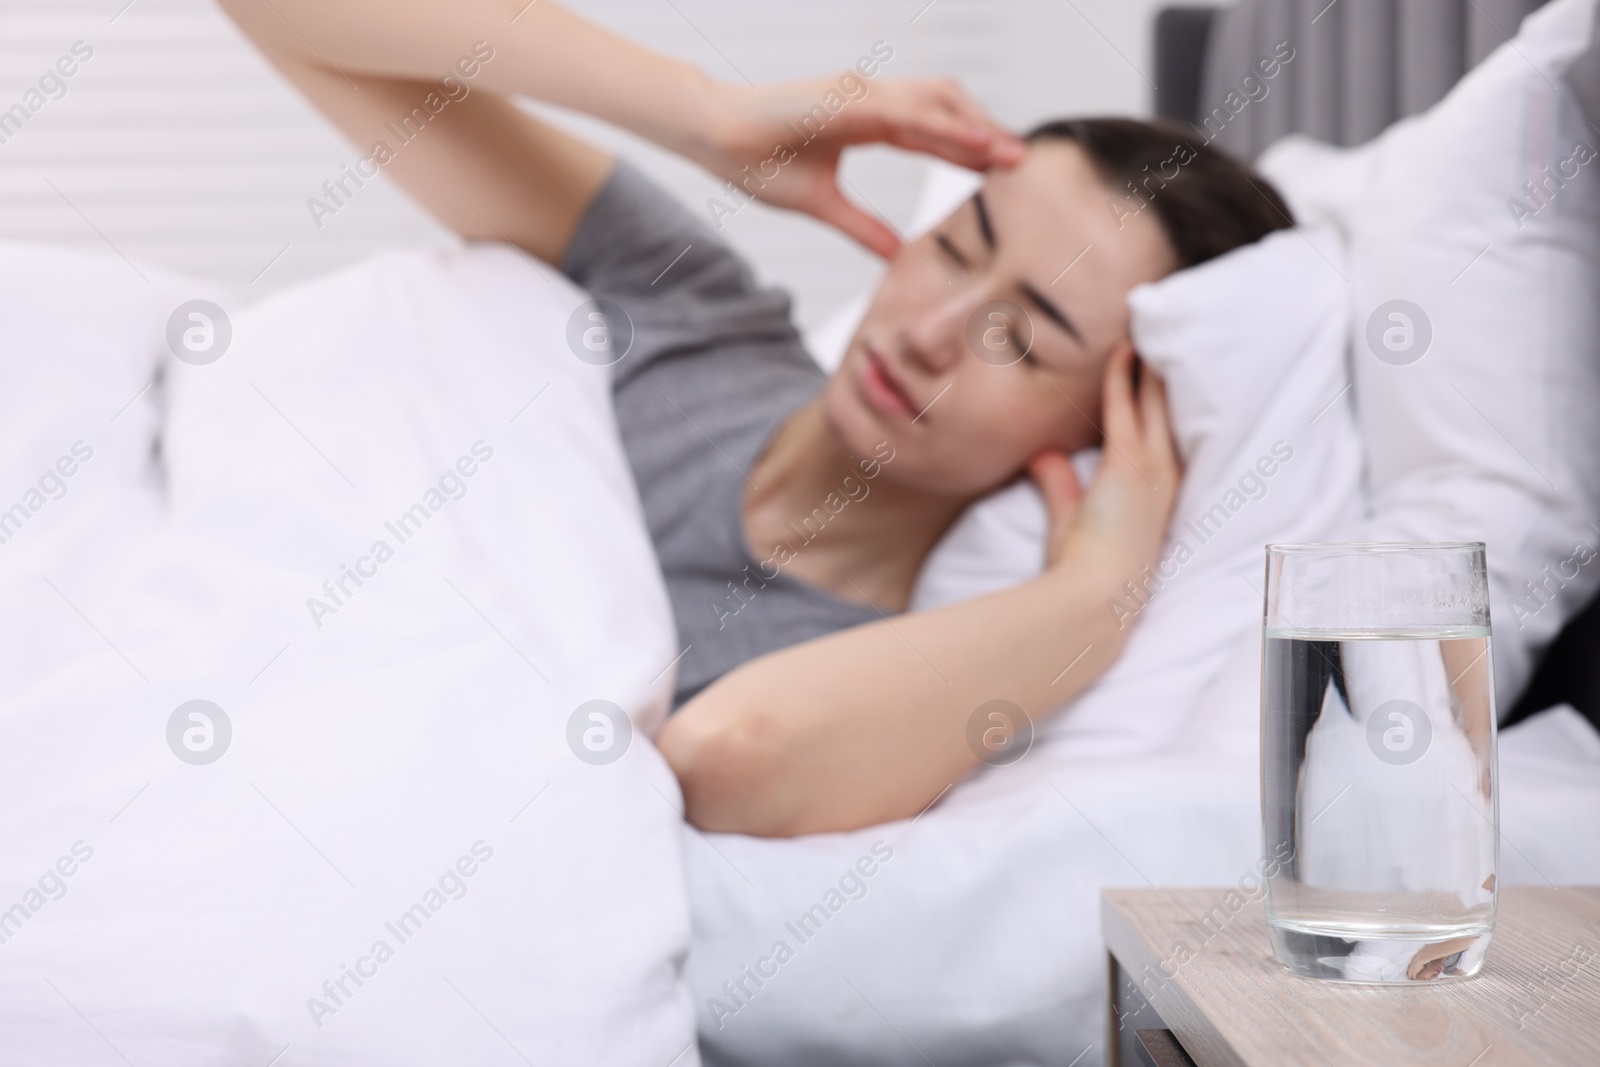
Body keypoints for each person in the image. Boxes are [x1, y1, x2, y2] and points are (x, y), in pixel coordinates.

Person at [224, 0, 1292, 838]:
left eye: (1022, 338)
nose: (932, 330)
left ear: (1107, 432)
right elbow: (290, 14)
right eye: (961, 244)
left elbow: (727, 756)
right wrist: (702, 113)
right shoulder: (693, 304)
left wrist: (1093, 598)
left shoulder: (895, 676)